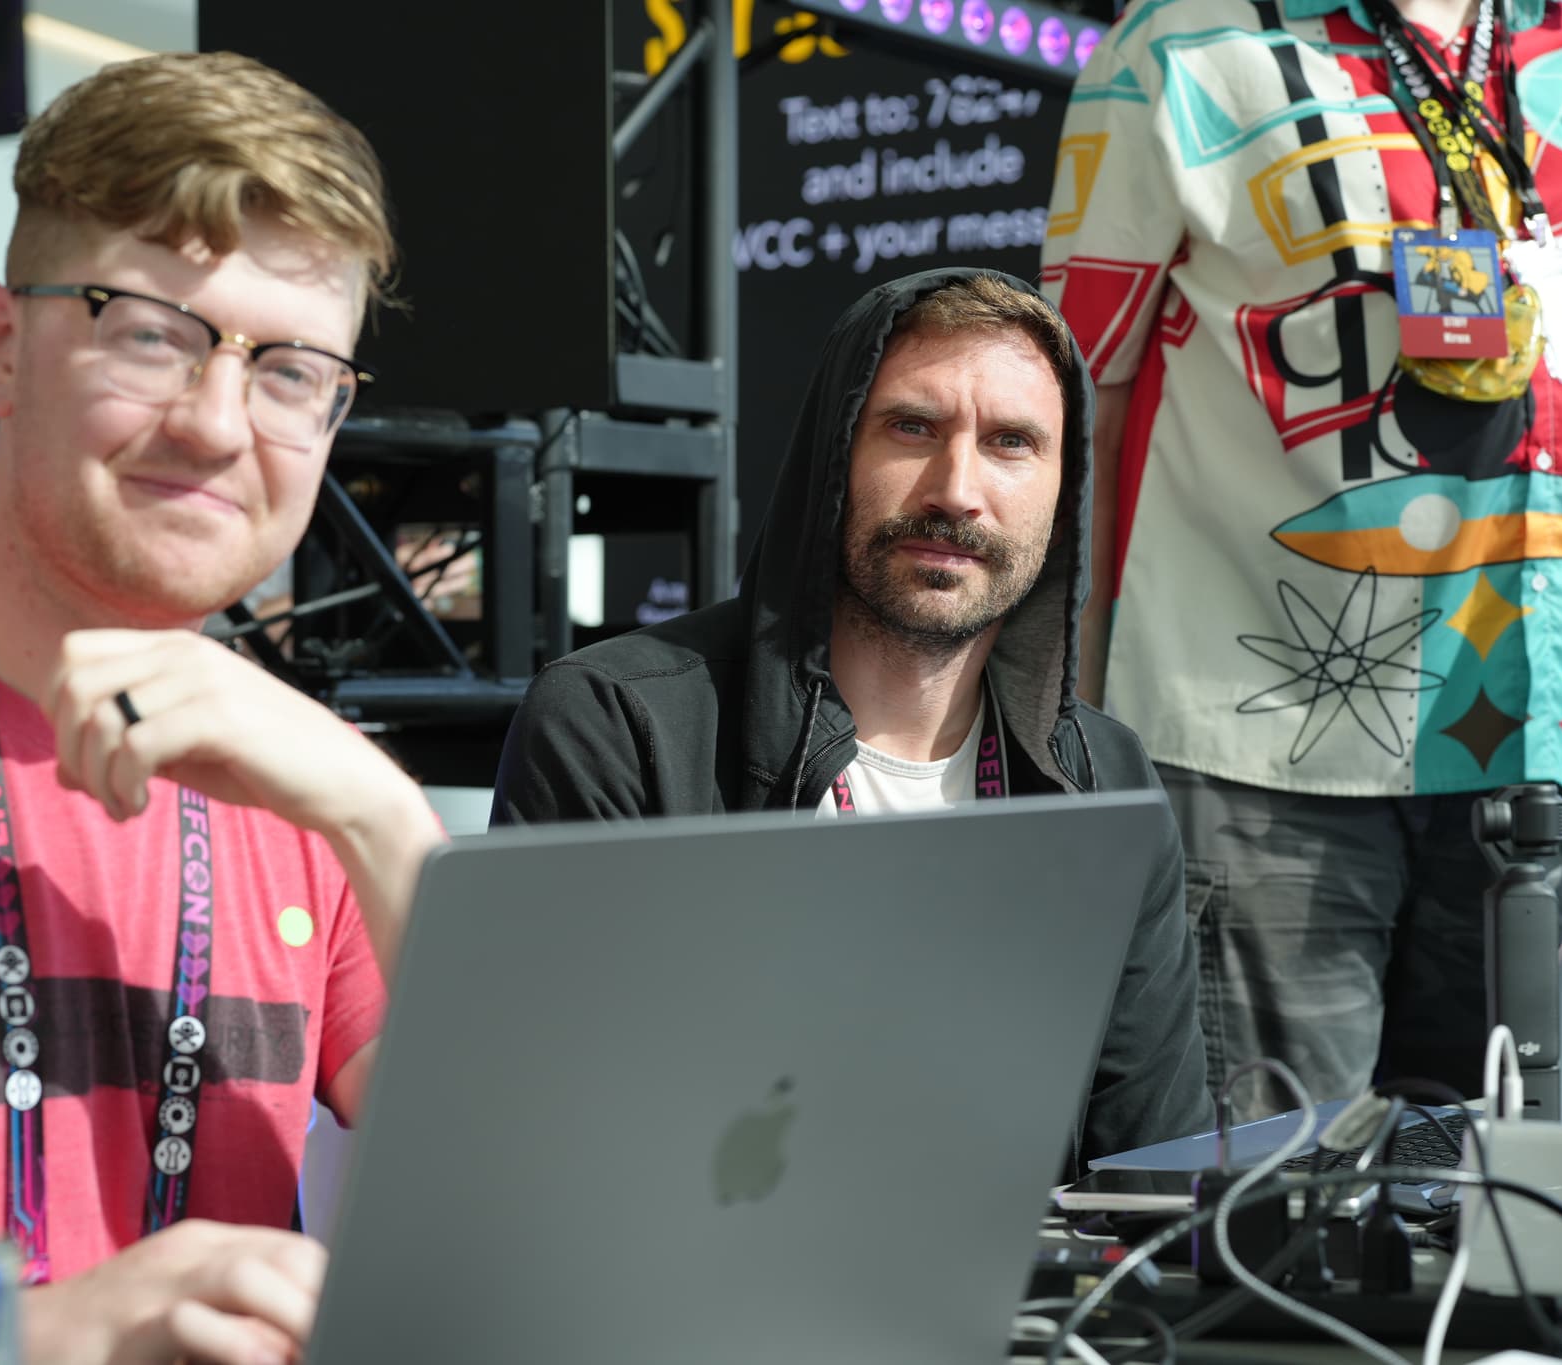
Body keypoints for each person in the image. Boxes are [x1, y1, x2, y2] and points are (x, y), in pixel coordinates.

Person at [0, 52, 443, 1363]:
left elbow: (530, 1238)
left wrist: (385, 817)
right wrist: (31, 1334)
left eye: (290, 371)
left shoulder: (316, 787)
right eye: (151, 333)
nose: (219, 423)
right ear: (1, 346)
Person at [1040, 0, 1562, 1116]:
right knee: (1269, 1203)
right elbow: (1081, 406)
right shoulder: (1178, 47)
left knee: (1555, 1201)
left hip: (1560, 734)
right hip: (1257, 745)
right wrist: (1067, 718)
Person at [491, 268, 1213, 1159]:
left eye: (1012, 442)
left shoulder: (1105, 781)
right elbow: (555, 1140)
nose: (957, 489)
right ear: (835, 454)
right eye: (913, 427)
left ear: (1064, 494)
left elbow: (1154, 1175)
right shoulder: (619, 726)